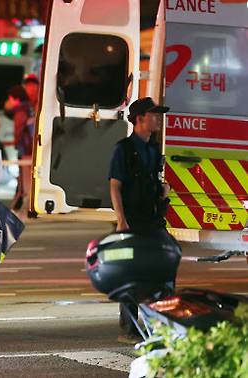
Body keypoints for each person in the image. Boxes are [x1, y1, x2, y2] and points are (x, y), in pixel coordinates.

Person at [108, 97, 173, 342]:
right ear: (138, 119)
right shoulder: (123, 149)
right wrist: (121, 220)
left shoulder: (154, 148)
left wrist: (162, 191)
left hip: (153, 219)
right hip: (132, 219)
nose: (158, 119)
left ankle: (161, 323)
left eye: (158, 114)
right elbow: (115, 186)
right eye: (153, 114)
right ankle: (130, 328)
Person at [5, 85, 34, 213]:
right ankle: (27, 203)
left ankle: (27, 205)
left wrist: (17, 142)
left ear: (15, 98)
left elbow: (19, 130)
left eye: (10, 98)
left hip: (26, 148)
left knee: (26, 179)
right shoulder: (30, 108)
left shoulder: (20, 111)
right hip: (32, 147)